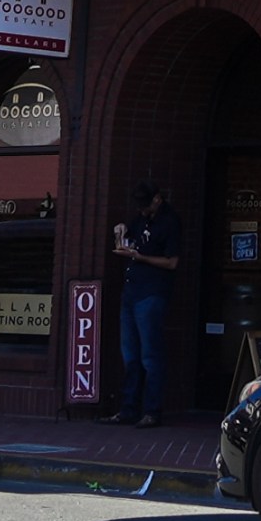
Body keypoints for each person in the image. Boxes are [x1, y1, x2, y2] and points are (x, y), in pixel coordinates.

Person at [108, 181, 179, 426]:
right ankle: (128, 409)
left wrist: (141, 257)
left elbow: (172, 262)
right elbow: (128, 235)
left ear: (157, 199)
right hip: (132, 291)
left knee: (150, 355)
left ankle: (151, 411)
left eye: (146, 205)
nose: (142, 210)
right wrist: (121, 231)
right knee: (131, 355)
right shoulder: (140, 218)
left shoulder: (169, 222)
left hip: (151, 292)